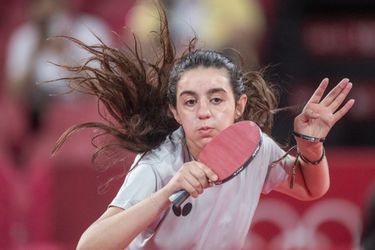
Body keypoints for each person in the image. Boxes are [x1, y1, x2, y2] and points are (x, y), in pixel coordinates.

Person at [52, 5, 355, 250]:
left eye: (216, 99)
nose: (204, 113)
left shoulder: (254, 147)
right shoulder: (159, 165)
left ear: (239, 106)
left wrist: (310, 145)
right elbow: (89, 246)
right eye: (190, 102)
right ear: (176, 112)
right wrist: (166, 193)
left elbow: (310, 186)